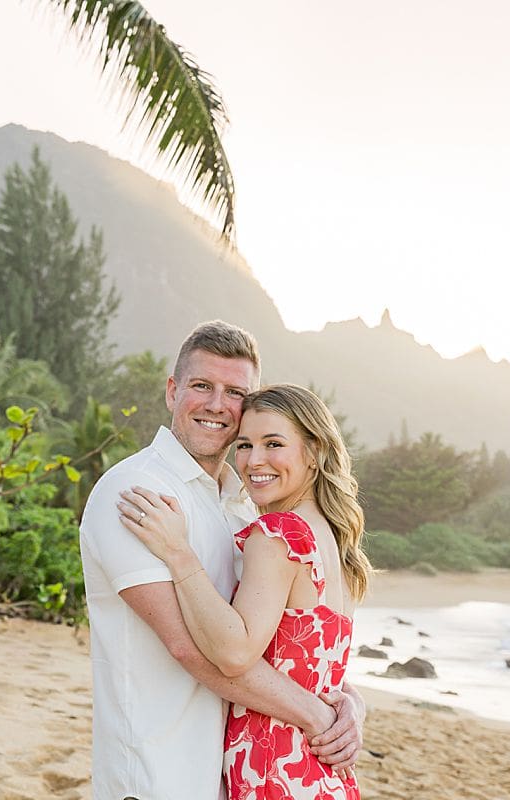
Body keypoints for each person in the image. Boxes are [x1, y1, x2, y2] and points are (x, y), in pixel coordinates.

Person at [79, 322, 363, 800]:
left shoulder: (244, 506)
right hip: (158, 770)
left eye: (234, 392)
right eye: (202, 386)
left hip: (235, 770)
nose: (216, 404)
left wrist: (350, 704)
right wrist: (317, 715)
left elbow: (287, 644)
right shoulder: (133, 493)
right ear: (172, 391)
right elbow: (190, 647)